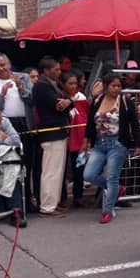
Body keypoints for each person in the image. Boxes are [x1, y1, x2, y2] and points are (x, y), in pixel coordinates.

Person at [83, 72, 140, 224]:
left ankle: (107, 210)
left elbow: (134, 124)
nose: (116, 89)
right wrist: (86, 140)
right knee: (89, 174)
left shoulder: (125, 101)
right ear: (106, 86)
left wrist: (138, 144)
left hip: (117, 143)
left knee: (112, 177)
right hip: (99, 142)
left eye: (119, 86)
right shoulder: (97, 100)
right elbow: (91, 122)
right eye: (113, 86)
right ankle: (116, 189)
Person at [0, 53, 35, 209]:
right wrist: (1, 94)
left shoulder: (23, 77)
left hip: (24, 124)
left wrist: (21, 88)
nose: (1, 69)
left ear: (10, 64)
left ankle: (27, 201)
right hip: (2, 127)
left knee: (26, 164)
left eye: (3, 65)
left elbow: (32, 100)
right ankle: (5, 203)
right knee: (5, 164)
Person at [32, 57, 74, 217]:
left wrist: (68, 102)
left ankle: (53, 202)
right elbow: (58, 105)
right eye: (55, 69)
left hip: (58, 131)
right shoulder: (42, 86)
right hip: (51, 131)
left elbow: (66, 102)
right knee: (51, 171)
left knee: (57, 170)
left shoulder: (52, 84)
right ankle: (47, 206)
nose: (58, 72)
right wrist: (67, 103)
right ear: (46, 70)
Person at [62, 72, 90, 208]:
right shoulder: (60, 98)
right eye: (70, 83)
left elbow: (87, 116)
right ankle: (62, 198)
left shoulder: (82, 99)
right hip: (64, 140)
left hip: (80, 142)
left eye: (75, 83)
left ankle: (78, 197)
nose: (73, 86)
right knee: (62, 170)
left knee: (79, 168)